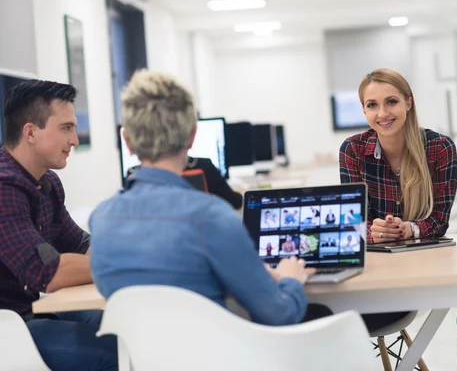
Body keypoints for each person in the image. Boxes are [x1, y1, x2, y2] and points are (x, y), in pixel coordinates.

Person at [90, 70, 317, 326]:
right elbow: (279, 314)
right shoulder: (212, 216)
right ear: (192, 135)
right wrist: (291, 280)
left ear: (127, 141)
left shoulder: (101, 219)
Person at [0, 80, 117, 370]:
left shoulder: (47, 182)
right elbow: (46, 273)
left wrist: (101, 255)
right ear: (30, 132)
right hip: (7, 327)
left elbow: (81, 243)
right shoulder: (4, 187)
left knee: (121, 323)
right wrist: (119, 263)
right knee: (114, 351)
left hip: (30, 312)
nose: (75, 139)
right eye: (66, 128)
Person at [339, 68, 457, 332]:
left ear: (408, 102)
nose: (382, 113)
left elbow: (440, 220)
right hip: (370, 276)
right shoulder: (353, 150)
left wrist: (410, 229)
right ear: (364, 110)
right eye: (372, 105)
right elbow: (352, 226)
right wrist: (374, 232)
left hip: (421, 272)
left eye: (391, 101)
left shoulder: (440, 148)